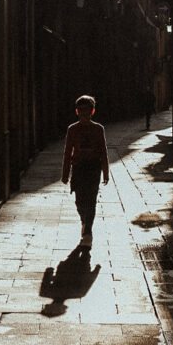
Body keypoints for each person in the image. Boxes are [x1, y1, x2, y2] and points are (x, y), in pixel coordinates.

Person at [61, 95, 109, 246]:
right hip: (79, 169)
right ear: (77, 112)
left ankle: (88, 231)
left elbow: (103, 152)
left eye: (87, 110)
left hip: (93, 168)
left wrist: (105, 172)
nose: (84, 114)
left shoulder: (98, 129)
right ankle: (84, 221)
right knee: (80, 201)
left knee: (91, 200)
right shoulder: (72, 129)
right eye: (81, 110)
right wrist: (65, 173)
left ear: (92, 111)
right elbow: (68, 152)